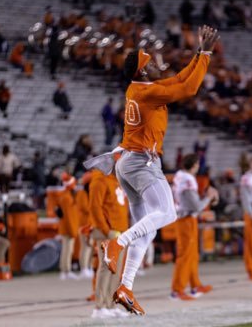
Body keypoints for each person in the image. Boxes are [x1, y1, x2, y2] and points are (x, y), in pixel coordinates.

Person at [86, 25, 219, 315]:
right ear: (144, 71)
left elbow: (180, 79)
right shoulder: (147, 93)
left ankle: (126, 287)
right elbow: (189, 87)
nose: (160, 65)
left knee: (147, 231)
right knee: (168, 213)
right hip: (141, 162)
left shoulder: (140, 88)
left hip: (129, 162)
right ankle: (115, 245)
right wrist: (206, 54)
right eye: (153, 63)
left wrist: (200, 54)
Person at [171, 153, 218, 300]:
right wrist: (209, 198)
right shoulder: (187, 179)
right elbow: (197, 206)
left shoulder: (180, 175)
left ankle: (195, 285)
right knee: (185, 255)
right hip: (186, 219)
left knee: (192, 255)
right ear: (195, 165)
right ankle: (177, 290)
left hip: (185, 218)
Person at [89, 169, 129, 319]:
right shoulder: (99, 181)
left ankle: (110, 305)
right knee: (106, 268)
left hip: (119, 231)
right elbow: (95, 207)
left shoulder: (117, 181)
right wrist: (106, 230)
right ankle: (99, 307)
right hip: (108, 231)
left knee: (117, 270)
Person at [57, 173, 79, 280]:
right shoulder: (67, 198)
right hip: (68, 228)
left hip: (66, 227)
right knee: (67, 250)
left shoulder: (64, 195)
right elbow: (69, 216)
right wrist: (72, 230)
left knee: (66, 249)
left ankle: (65, 270)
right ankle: (66, 270)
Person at [76, 174, 93, 279]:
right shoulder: (82, 194)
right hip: (83, 224)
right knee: (85, 247)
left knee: (90, 247)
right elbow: (86, 208)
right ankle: (84, 268)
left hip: (90, 224)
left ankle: (89, 266)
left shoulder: (89, 193)